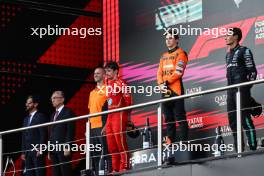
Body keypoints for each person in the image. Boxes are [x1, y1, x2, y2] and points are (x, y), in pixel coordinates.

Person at [225, 27, 258, 151]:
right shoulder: (227, 55)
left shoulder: (245, 51)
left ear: (236, 37)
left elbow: (253, 72)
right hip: (230, 91)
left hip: (241, 90)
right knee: (233, 122)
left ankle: (253, 147)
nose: (225, 37)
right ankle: (238, 149)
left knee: (244, 118)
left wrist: (245, 89)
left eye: (228, 34)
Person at [157, 30, 189, 145]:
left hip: (176, 90)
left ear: (176, 40)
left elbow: (179, 72)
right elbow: (159, 73)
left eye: (170, 38)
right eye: (166, 39)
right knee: (168, 120)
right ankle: (169, 145)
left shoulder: (181, 53)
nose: (168, 40)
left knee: (180, 118)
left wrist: (166, 82)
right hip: (165, 90)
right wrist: (161, 84)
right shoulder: (163, 56)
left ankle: (183, 144)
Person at [104, 61, 132, 173]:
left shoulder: (122, 82)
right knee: (111, 145)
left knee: (120, 142)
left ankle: (125, 166)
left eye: (109, 71)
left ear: (116, 71)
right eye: (106, 71)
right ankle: (115, 168)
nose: (107, 73)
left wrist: (128, 117)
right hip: (110, 116)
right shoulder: (108, 84)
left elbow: (129, 101)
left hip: (119, 114)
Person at [88, 67, 109, 175]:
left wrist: (107, 125)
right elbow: (90, 111)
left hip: (103, 126)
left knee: (106, 152)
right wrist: (88, 128)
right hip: (92, 128)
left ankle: (108, 172)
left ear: (104, 75)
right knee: (94, 154)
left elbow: (110, 109)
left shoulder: (108, 89)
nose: (95, 75)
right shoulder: (91, 93)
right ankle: (96, 173)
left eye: (98, 73)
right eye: (94, 73)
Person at [48, 91, 75, 176]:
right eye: (52, 98)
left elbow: (70, 131)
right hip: (53, 149)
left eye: (54, 98)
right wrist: (49, 149)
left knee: (65, 172)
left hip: (63, 148)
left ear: (62, 99)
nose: (52, 100)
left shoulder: (68, 112)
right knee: (55, 173)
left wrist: (68, 146)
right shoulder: (53, 115)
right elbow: (51, 133)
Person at [21, 95, 47, 176]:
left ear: (35, 104)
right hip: (27, 153)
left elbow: (43, 134)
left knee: (39, 173)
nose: (27, 105)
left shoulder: (40, 116)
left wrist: (41, 149)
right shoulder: (25, 119)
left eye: (29, 103)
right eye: (26, 103)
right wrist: (23, 152)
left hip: (37, 151)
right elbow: (23, 136)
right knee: (28, 174)